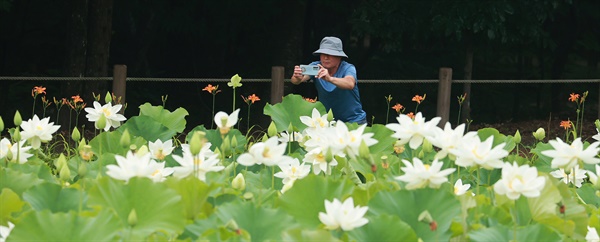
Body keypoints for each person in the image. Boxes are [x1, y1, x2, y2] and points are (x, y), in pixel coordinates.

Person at [291, 36, 367, 124]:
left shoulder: (348, 68)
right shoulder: (316, 67)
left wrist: (329, 79)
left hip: (354, 121)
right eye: (323, 54)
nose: (325, 57)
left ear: (339, 57)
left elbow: (350, 83)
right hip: (328, 122)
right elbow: (296, 80)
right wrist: (297, 77)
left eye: (330, 54)